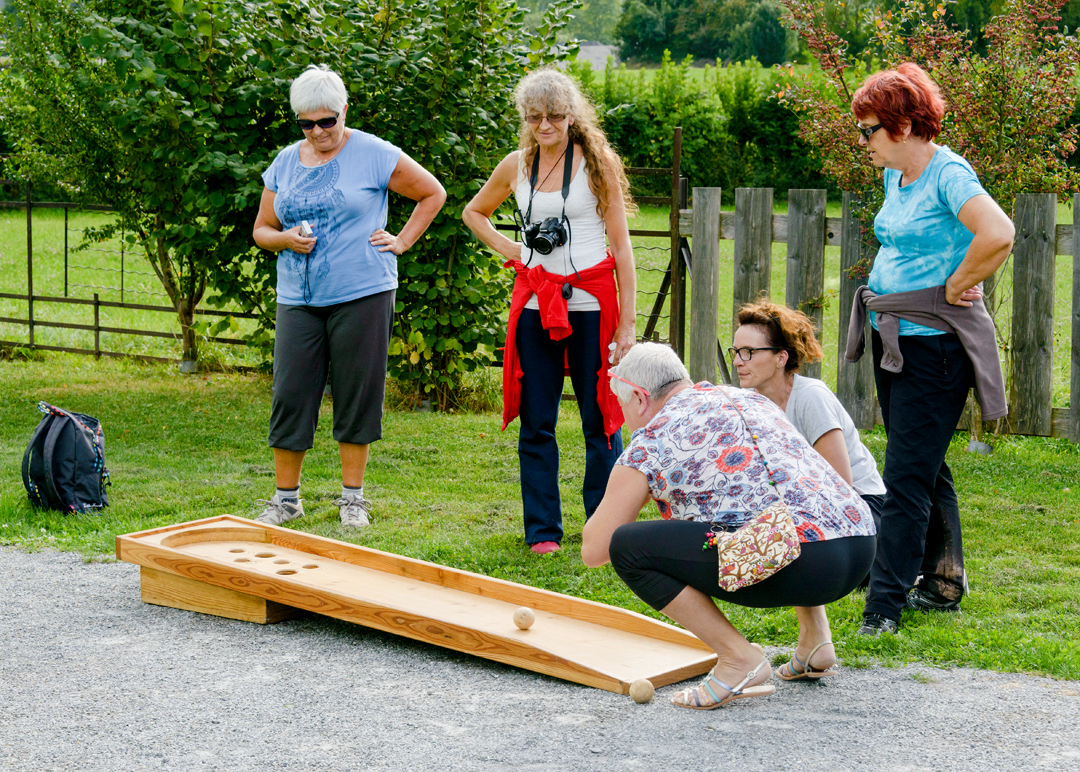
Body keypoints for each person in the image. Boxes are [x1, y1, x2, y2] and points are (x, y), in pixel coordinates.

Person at [581, 343, 876, 708]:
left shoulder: (652, 439)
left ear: (640, 398)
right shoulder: (752, 400)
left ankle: (739, 658)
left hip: (800, 562)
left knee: (628, 545)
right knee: (782, 506)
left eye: (623, 406)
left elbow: (595, 549)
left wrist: (640, 484)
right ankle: (815, 642)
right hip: (859, 541)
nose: (624, 417)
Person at [849, 63, 1013, 634]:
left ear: (904, 126)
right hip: (893, 339)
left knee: (906, 479)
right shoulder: (896, 175)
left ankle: (883, 608)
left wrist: (955, 285)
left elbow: (999, 232)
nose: (863, 140)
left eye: (869, 128)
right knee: (922, 462)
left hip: (935, 349)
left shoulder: (949, 174)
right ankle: (943, 582)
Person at [251, 65, 446, 528]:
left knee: (357, 391)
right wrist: (285, 240)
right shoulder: (284, 162)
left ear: (344, 111)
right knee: (291, 392)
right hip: (298, 295)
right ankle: (286, 499)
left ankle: (353, 498)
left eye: (327, 121)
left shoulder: (375, 153)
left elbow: (432, 193)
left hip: (363, 290)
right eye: (306, 123)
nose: (317, 131)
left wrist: (401, 241)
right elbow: (262, 229)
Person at [463, 69, 637, 555]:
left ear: (571, 115)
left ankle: (602, 528)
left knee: (600, 418)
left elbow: (621, 248)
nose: (545, 125)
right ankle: (543, 531)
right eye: (535, 117)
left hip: (590, 303)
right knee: (536, 419)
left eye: (555, 116)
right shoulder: (516, 165)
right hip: (536, 301)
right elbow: (472, 212)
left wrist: (627, 323)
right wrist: (512, 249)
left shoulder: (597, 162)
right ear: (525, 117)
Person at [732, 300, 886, 552]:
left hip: (862, 509)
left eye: (748, 351)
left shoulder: (811, 397)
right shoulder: (751, 402)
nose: (738, 361)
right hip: (807, 508)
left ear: (781, 357)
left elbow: (841, 485)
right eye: (735, 351)